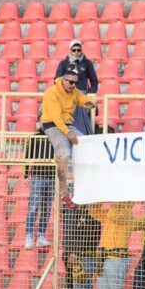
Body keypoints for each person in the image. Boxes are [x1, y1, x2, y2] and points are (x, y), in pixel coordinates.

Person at [40, 70, 97, 209]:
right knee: (64, 154)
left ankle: (83, 187)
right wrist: (68, 134)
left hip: (67, 124)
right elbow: (56, 117)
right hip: (52, 125)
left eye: (76, 83)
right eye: (71, 82)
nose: (73, 85)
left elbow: (83, 99)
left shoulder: (74, 91)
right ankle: (64, 192)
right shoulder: (51, 93)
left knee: (87, 145)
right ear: (63, 80)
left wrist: (90, 103)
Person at [61, 205, 102, 289]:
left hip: (84, 256)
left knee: (81, 287)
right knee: (71, 288)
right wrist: (67, 254)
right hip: (71, 256)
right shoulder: (69, 211)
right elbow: (67, 234)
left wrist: (75, 253)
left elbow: (92, 237)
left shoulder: (94, 214)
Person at [55, 39, 98, 135]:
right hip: (67, 94)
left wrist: (90, 94)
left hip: (82, 94)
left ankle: (83, 136)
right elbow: (57, 80)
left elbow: (94, 81)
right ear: (70, 50)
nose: (76, 52)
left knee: (83, 118)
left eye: (79, 50)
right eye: (74, 50)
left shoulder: (87, 63)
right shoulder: (63, 63)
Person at [23, 129, 55, 249]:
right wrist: (26, 175)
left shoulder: (57, 135)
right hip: (37, 175)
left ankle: (41, 236)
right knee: (33, 207)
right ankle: (29, 236)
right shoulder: (34, 136)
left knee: (47, 209)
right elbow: (27, 156)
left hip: (52, 177)